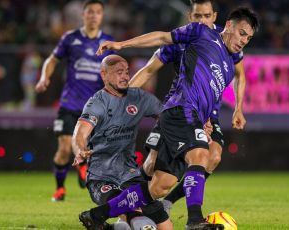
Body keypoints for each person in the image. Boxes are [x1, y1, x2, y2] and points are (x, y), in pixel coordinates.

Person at [85, 7, 259, 230]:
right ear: (228, 26)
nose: (244, 40)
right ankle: (194, 220)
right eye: (242, 33)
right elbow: (161, 37)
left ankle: (96, 215)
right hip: (180, 109)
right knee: (200, 155)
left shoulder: (229, 65)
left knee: (159, 186)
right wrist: (122, 45)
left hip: (194, 117)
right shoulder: (201, 33)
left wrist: (229, 111)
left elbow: (212, 88)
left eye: (249, 38)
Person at [129, 0, 248, 213]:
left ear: (214, 16)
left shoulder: (228, 39)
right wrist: (121, 96)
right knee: (151, 165)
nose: (202, 20)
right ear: (189, 17)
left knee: (212, 156)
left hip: (208, 112)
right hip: (181, 107)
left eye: (206, 16)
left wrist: (239, 107)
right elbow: (148, 70)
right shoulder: (181, 40)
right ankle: (129, 205)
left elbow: (240, 74)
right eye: (197, 16)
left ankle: (167, 204)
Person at [72, 54, 172, 230]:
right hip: (101, 177)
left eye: (126, 71)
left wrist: (200, 125)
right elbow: (80, 133)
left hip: (130, 174)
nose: (126, 76)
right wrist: (80, 149)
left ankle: (102, 223)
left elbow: (169, 116)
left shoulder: (139, 98)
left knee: (166, 226)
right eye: (119, 72)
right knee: (134, 213)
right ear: (104, 75)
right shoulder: (97, 103)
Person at [35, 0, 114, 202]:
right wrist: (45, 77)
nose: (93, 15)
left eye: (97, 12)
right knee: (63, 149)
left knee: (89, 150)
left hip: (94, 108)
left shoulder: (108, 42)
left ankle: (84, 167)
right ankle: (60, 189)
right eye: (90, 12)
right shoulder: (70, 39)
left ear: (102, 16)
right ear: (83, 15)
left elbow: (114, 72)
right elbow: (52, 60)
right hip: (69, 104)